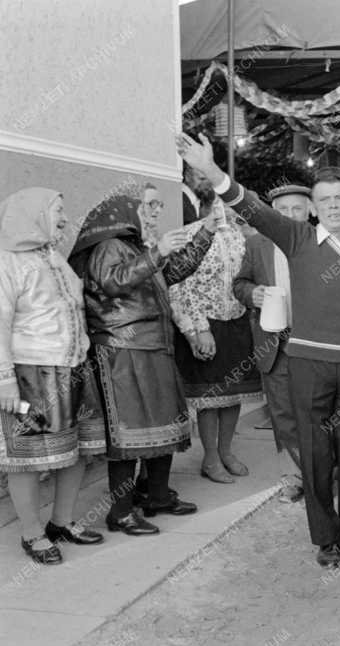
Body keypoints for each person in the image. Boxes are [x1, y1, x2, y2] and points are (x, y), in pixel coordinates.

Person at [178, 133, 340, 568]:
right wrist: (211, 170)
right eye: (325, 199)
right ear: (314, 208)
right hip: (307, 364)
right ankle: (326, 539)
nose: (333, 206)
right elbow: (252, 206)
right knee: (314, 454)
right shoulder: (296, 238)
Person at [70, 194, 216, 535]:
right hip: (124, 351)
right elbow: (113, 282)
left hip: (153, 347)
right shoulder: (109, 246)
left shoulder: (137, 248)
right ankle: (120, 513)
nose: (153, 212)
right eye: (147, 207)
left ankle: (157, 496)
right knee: (130, 434)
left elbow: (174, 270)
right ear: (123, 213)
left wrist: (206, 232)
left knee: (164, 424)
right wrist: (158, 251)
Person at [0, 188, 106, 564]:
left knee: (77, 450)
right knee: (25, 458)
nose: (63, 218)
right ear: (33, 213)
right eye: (57, 211)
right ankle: (31, 533)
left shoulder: (55, 258)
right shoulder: (7, 262)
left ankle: (61, 521)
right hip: (31, 373)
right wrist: (4, 380)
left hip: (74, 368)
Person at [169, 199, 262, 483]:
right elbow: (179, 286)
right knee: (210, 397)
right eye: (227, 202)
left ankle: (225, 451)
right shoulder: (190, 234)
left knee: (232, 395)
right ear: (212, 204)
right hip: (205, 323)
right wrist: (197, 330)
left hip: (235, 321)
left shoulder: (241, 235)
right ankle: (210, 458)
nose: (234, 208)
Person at [233, 184, 309, 502]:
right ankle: (292, 476)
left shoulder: (320, 243)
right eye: (281, 210)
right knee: (283, 414)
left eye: (296, 208)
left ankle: (322, 473)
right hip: (274, 343)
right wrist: (253, 294)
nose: (288, 215)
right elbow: (239, 283)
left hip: (314, 343)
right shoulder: (256, 244)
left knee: (318, 412)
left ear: (310, 211)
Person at [138, 183, 164, 248]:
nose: (158, 210)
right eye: (153, 203)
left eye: (160, 205)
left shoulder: (160, 241)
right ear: (141, 207)